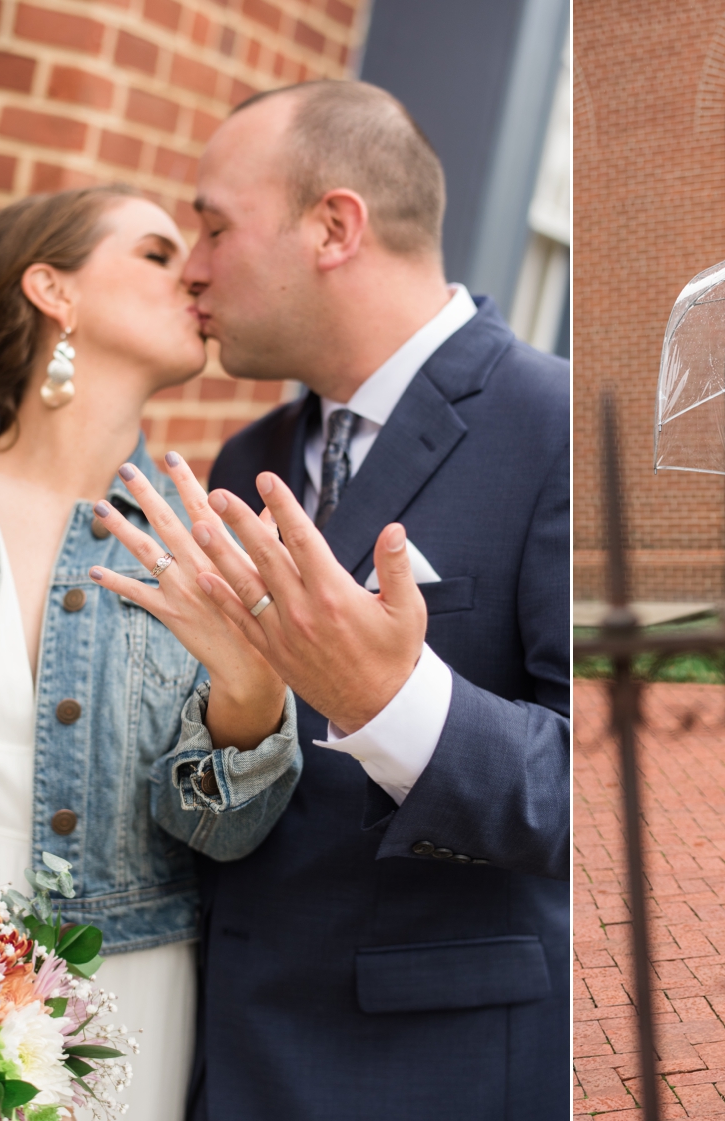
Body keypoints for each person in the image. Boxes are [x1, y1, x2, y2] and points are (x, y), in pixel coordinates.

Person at [0, 186, 299, 1119]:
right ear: (54, 290)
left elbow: (225, 833)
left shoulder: (199, 549)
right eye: (158, 254)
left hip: (118, 994)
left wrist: (254, 696)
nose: (195, 272)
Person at [141, 80, 569, 1119]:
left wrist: (397, 701)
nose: (190, 267)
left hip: (430, 1069)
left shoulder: (550, 423)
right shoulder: (249, 456)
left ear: (334, 225)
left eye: (212, 225)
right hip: (220, 1054)